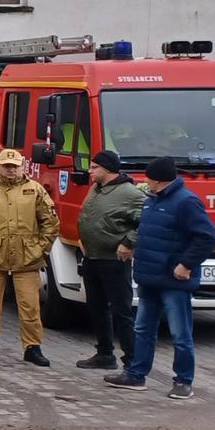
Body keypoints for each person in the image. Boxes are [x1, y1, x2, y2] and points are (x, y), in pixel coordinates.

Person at [106, 157, 215, 399]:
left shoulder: (186, 202)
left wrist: (186, 264)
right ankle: (136, 375)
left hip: (174, 281)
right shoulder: (152, 201)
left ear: (158, 179)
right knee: (143, 329)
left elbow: (207, 237)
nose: (146, 182)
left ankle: (183, 381)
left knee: (180, 333)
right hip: (149, 278)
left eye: (149, 178)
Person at [0, 148, 59, 366]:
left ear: (22, 167)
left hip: (27, 259)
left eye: (14, 166)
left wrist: (40, 249)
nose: (11, 170)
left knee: (30, 306)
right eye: (6, 166)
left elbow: (50, 223)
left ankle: (32, 348)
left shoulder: (35, 190)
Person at [75, 150, 144, 370]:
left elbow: (146, 222)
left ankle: (132, 359)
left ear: (107, 169)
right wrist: (83, 235)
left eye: (94, 167)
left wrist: (129, 242)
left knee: (121, 311)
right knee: (96, 307)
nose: (90, 171)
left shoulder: (130, 193)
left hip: (113, 260)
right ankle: (104, 354)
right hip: (92, 257)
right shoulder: (96, 188)